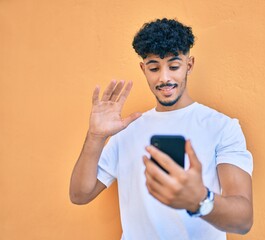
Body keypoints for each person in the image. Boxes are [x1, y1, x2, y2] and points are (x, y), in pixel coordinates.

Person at [70, 18, 253, 240]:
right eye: (154, 67)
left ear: (190, 65)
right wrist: (95, 138)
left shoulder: (223, 127)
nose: (164, 77)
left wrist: (200, 200)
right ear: (143, 69)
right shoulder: (126, 130)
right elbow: (80, 195)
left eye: (174, 66)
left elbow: (243, 220)